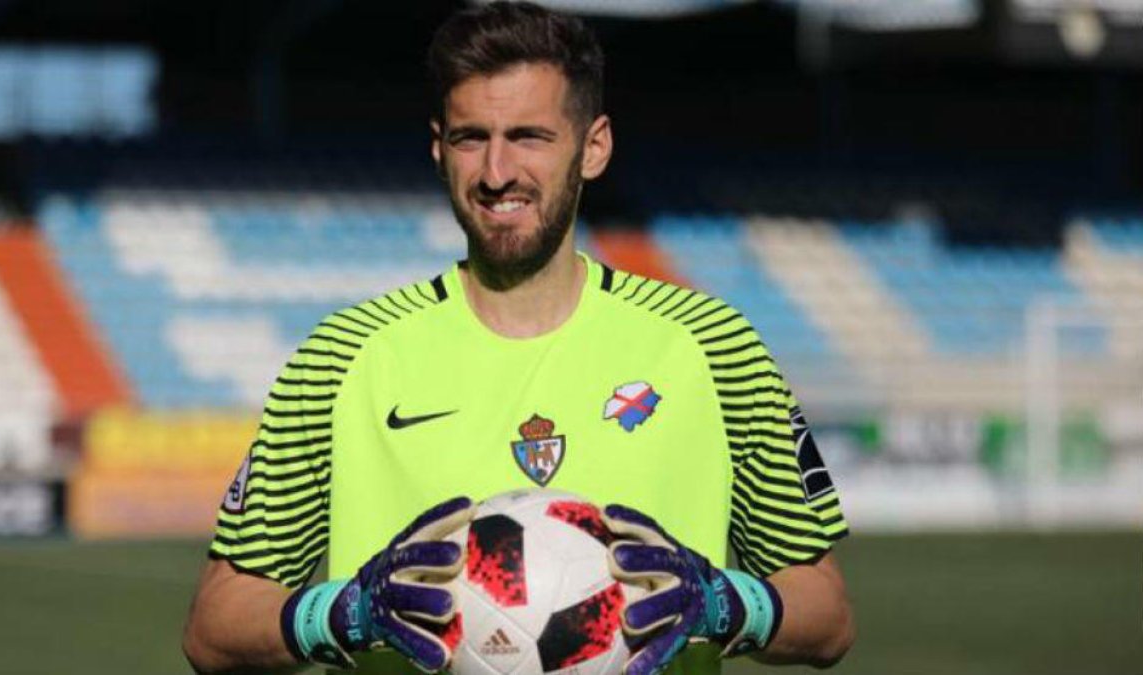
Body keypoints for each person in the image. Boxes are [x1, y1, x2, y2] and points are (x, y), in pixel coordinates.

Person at [182, 2, 854, 674]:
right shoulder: (341, 357)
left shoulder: (714, 345)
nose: (498, 170)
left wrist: (730, 604)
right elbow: (214, 627)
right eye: (472, 137)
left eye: (530, 136)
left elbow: (827, 613)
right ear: (438, 148)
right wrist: (340, 612)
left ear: (594, 147)